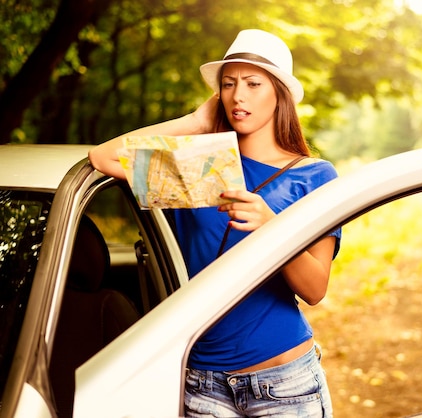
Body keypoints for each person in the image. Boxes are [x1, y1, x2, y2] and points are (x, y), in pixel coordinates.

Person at [88, 29, 340, 417]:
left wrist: (272, 226)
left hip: (284, 382)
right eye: (229, 84)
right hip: (201, 383)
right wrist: (193, 122)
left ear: (280, 94)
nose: (238, 96)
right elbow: (103, 158)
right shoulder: (197, 163)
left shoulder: (313, 176)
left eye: (254, 83)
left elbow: (315, 288)